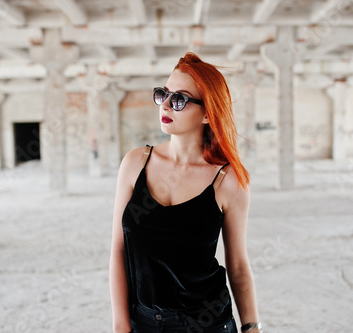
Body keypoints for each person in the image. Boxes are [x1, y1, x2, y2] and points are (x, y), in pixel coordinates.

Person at [109, 52, 262, 333]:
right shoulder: (134, 164)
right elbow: (118, 250)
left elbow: (238, 265)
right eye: (163, 94)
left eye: (179, 99)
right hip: (142, 322)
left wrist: (252, 327)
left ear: (207, 114)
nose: (165, 105)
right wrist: (121, 326)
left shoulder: (228, 180)